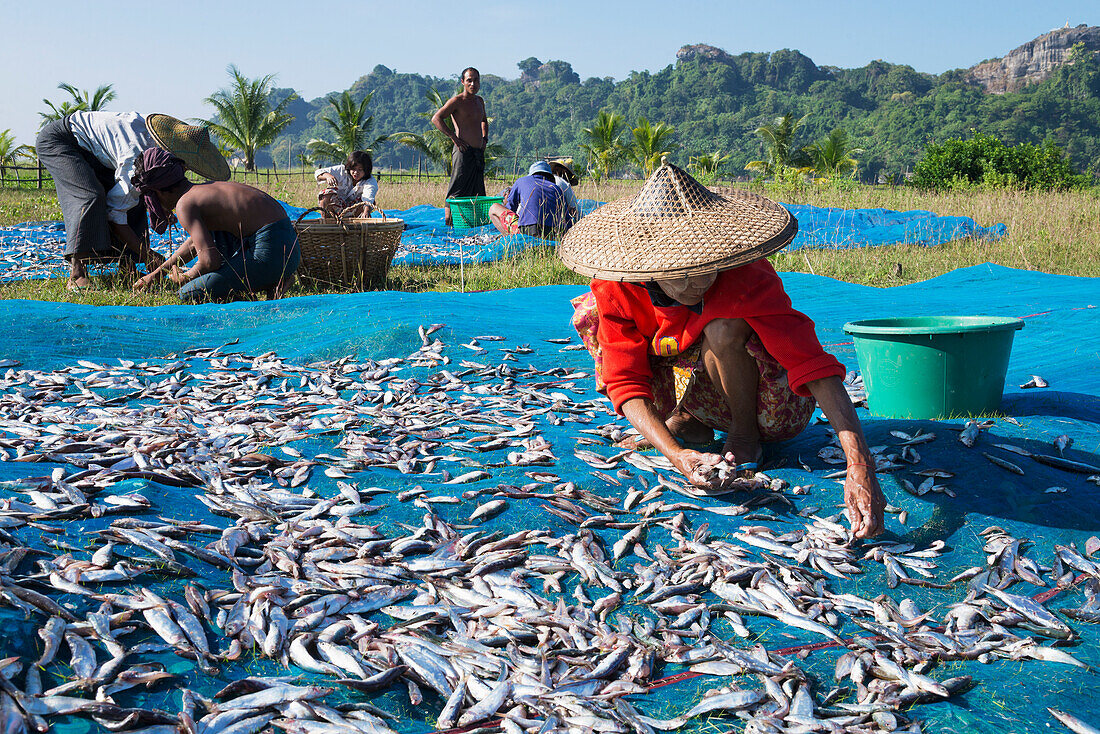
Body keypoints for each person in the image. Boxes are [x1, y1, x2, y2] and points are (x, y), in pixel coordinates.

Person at [559, 159, 885, 539]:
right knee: (589, 312)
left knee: (722, 325)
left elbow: (811, 363)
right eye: (682, 272)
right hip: (691, 382)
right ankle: (689, 422)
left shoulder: (744, 274)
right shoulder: (617, 288)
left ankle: (743, 434)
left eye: (706, 265)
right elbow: (625, 381)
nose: (700, 281)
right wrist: (675, 456)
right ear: (648, 267)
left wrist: (859, 463)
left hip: (772, 407)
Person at [35, 112, 229, 291]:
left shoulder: (158, 147)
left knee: (136, 199)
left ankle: (128, 268)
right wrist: (149, 255)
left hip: (96, 151)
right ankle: (77, 273)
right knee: (90, 197)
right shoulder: (135, 155)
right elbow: (115, 213)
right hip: (63, 141)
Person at [131, 148, 300, 303]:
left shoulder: (185, 204)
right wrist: (155, 275)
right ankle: (274, 278)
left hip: (271, 254)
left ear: (158, 191)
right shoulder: (202, 190)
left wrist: (185, 278)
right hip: (289, 248)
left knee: (189, 293)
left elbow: (209, 262)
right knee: (217, 235)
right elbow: (193, 244)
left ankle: (271, 280)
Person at [432, 67, 488, 227]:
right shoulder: (456, 101)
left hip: (478, 152)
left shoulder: (479, 101)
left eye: (476, 80)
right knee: (457, 187)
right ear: (463, 82)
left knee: (478, 188)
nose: (473, 83)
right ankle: (448, 222)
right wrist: (454, 138)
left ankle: (474, 222)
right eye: (469, 80)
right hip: (462, 152)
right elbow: (436, 118)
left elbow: (484, 120)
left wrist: (485, 139)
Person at [489, 161, 576, 239]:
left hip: (525, 232)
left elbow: (510, 208)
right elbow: (567, 220)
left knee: (494, 207)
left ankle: (510, 239)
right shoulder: (557, 188)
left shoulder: (521, 181)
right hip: (549, 234)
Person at [314, 150, 379, 219]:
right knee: (326, 193)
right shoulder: (341, 170)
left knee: (369, 204)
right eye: (353, 169)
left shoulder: (370, 181)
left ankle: (357, 222)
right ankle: (325, 218)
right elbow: (318, 172)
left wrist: (366, 211)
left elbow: (368, 196)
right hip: (337, 207)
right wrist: (328, 176)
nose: (356, 173)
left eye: (360, 170)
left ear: (366, 170)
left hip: (354, 210)